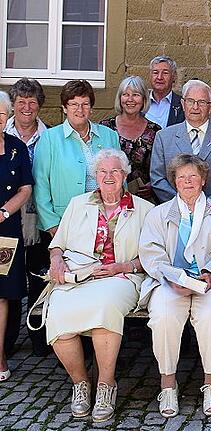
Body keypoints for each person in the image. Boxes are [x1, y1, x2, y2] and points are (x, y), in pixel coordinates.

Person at [41, 149, 154, 422]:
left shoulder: (144, 209)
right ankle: (80, 383)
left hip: (120, 277)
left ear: (125, 175)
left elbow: (152, 255)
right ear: (95, 176)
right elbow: (58, 246)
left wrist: (123, 266)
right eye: (102, 172)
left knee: (105, 306)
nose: (108, 176)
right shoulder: (78, 204)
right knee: (56, 309)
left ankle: (106, 384)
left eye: (115, 171)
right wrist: (56, 261)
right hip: (80, 275)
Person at [139, 154, 211, 417]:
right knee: (163, 316)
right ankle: (168, 384)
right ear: (174, 182)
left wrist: (209, 273)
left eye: (193, 176)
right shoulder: (159, 214)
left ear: (203, 180)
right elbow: (151, 253)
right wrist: (172, 277)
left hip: (210, 282)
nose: (188, 181)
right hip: (172, 282)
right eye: (182, 177)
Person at [33, 80, 121, 237]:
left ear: (91, 108)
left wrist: (120, 218)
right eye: (73, 104)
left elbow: (121, 179)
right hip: (64, 221)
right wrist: (52, 224)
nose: (80, 109)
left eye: (85, 104)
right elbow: (40, 184)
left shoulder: (110, 135)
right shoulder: (50, 138)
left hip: (106, 220)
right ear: (64, 108)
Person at [3, 78, 49, 357]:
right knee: (5, 279)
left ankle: (38, 338)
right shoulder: (3, 135)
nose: (27, 107)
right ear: (13, 106)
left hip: (38, 219)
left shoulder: (50, 136)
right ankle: (5, 342)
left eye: (32, 102)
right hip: (6, 220)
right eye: (21, 102)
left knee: (38, 279)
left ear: (39, 106)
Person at [150, 79, 211, 208]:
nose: (195, 107)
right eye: (190, 101)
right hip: (175, 210)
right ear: (183, 103)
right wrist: (180, 204)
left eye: (202, 102)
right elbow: (157, 178)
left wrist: (208, 205)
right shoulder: (164, 137)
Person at [0, 91, 33, 381]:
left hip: (6, 231)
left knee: (1, 296)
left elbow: (25, 187)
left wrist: (4, 213)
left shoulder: (15, 148)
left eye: (1, 114)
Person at [100, 75, 162, 202]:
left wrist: (153, 185)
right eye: (125, 94)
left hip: (143, 199)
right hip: (111, 197)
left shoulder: (155, 131)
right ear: (120, 98)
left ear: (144, 99)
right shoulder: (105, 128)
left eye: (136, 94)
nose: (130, 99)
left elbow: (161, 167)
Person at [145, 55, 185, 128]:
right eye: (155, 73)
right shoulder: (141, 102)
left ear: (174, 76)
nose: (159, 77)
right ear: (150, 76)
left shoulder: (183, 105)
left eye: (165, 73)